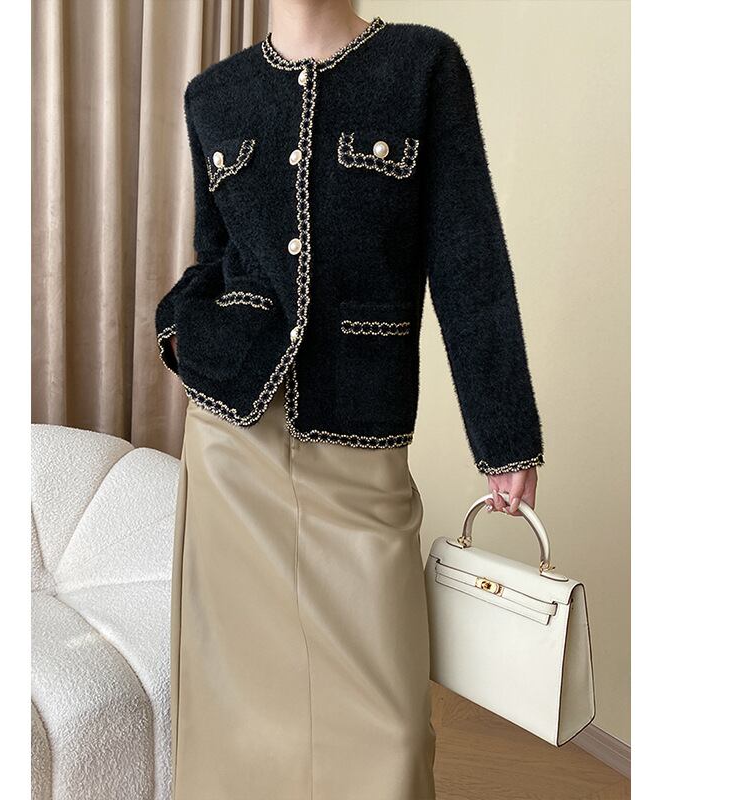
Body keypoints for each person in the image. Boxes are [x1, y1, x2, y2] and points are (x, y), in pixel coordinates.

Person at [155, 2, 544, 798]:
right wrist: (185, 325)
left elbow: (468, 259)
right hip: (232, 443)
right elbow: (214, 257)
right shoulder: (212, 96)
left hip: (362, 436)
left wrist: (503, 435)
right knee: (238, 714)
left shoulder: (421, 66)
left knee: (389, 725)